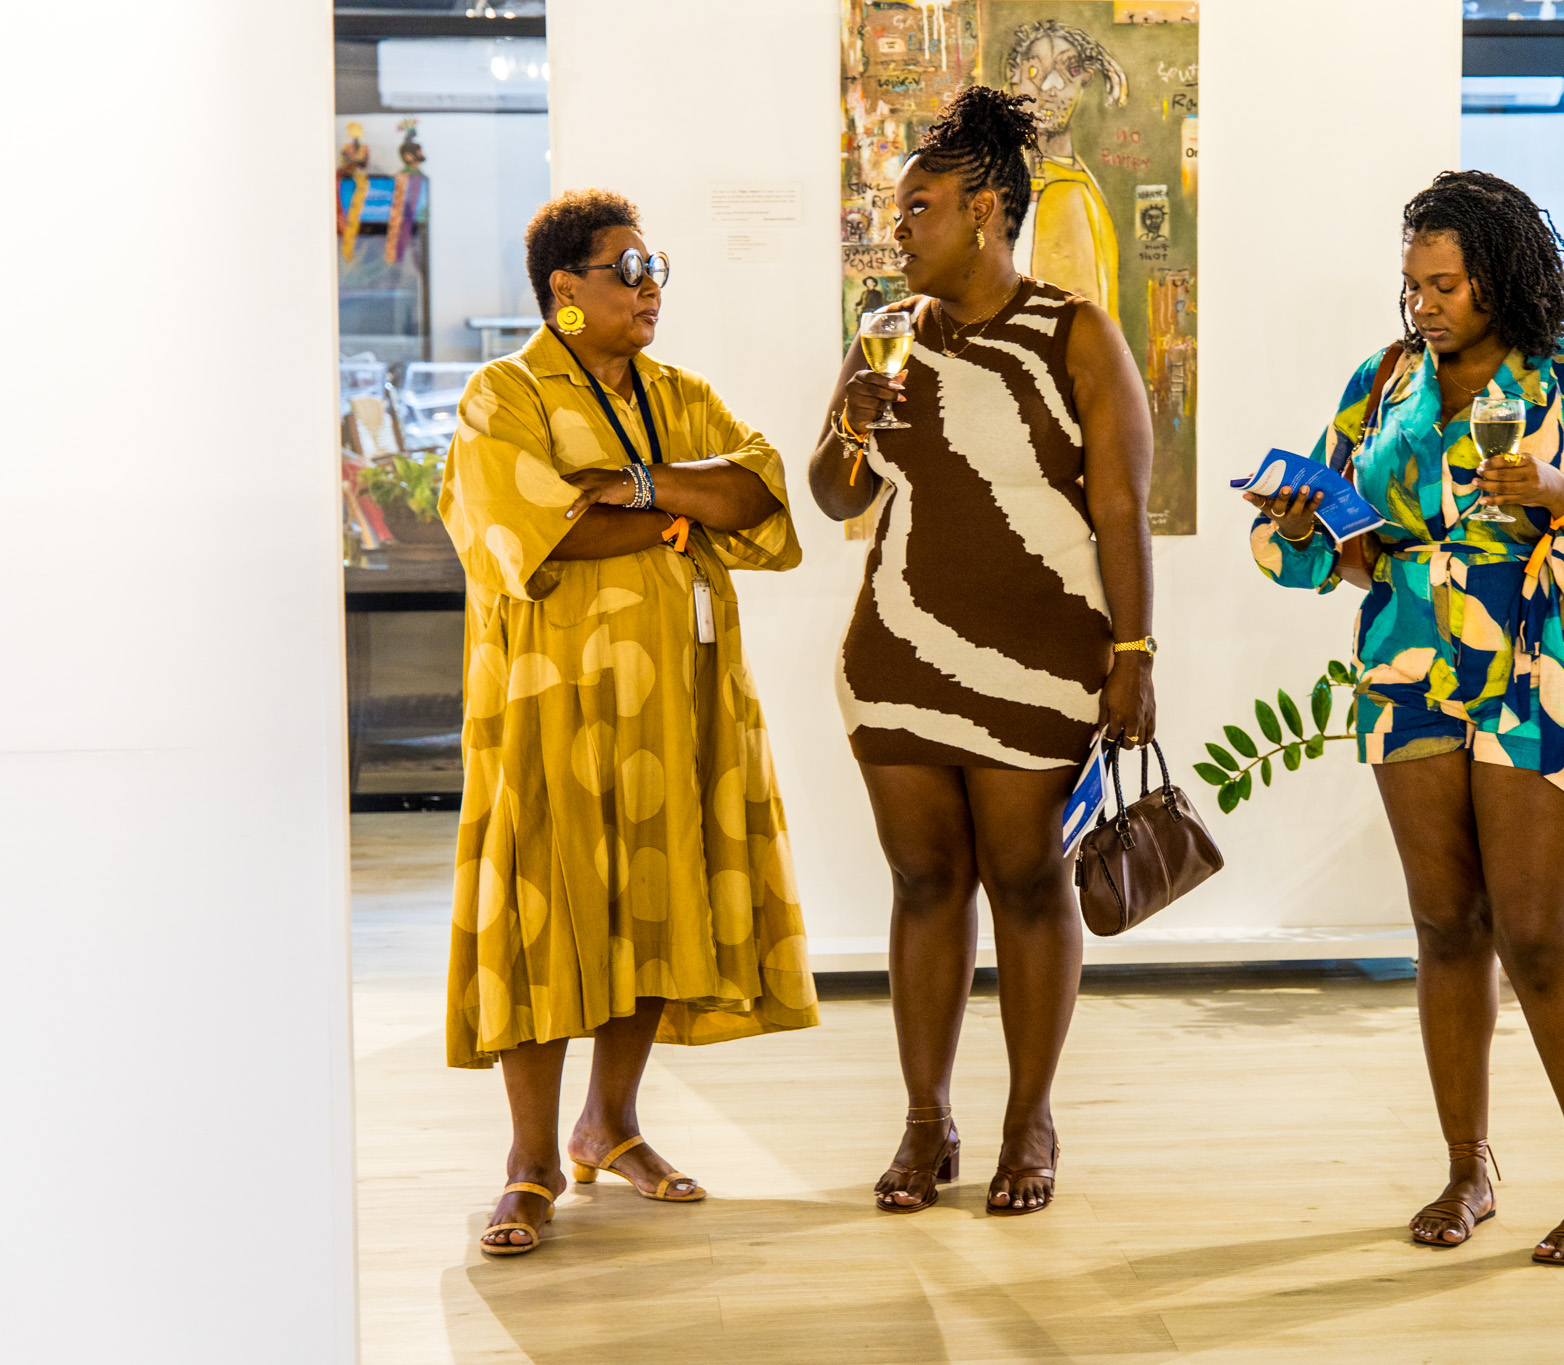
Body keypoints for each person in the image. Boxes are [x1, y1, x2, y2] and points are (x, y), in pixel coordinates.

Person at [1244, 171, 1564, 1266]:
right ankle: (1465, 1168)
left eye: (1444, 284)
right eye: (1413, 285)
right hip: (1409, 670)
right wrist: (1303, 525)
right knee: (1445, 929)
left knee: (1540, 939)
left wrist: (1563, 499)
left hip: (1545, 674)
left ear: (1499, 277)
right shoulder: (1383, 382)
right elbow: (1330, 548)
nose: (1423, 304)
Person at [440, 188, 818, 1257]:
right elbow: (537, 534)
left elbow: (757, 494)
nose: (652, 287)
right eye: (631, 268)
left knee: (648, 900)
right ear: (567, 288)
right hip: (551, 706)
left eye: (657, 269)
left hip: (676, 699)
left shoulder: (676, 395)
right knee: (545, 910)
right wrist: (672, 519)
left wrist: (636, 487)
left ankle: (608, 1125)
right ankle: (527, 1162)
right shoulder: (503, 396)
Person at [808, 86, 1156, 1217]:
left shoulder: (1075, 334)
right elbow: (834, 496)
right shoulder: (886, 335)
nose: (898, 227)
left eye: (919, 207)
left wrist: (1133, 651)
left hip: (1040, 659)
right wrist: (851, 421)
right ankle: (925, 1121)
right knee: (922, 882)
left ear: (986, 210)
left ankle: (1028, 1120)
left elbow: (1120, 508)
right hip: (899, 652)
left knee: (1026, 879)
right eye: (896, 209)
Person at [1005, 19, 1126, 322]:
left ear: (1084, 81)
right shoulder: (1016, 181)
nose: (1050, 87)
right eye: (1035, 71)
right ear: (1013, 75)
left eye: (1068, 72)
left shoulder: (1067, 191)